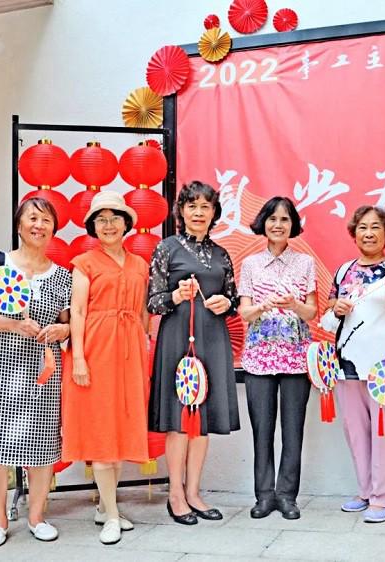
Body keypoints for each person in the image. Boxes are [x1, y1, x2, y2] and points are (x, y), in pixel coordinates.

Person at [0, 197, 71, 547]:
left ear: (54, 229)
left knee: (43, 447)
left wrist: (62, 332)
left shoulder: (62, 276)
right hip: (1, 368)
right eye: (32, 218)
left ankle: (37, 517)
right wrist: (12, 324)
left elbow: (68, 325)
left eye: (45, 220)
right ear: (19, 224)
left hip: (44, 371)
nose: (38, 226)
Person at [147, 180, 239, 525]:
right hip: (177, 341)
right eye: (192, 206)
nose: (199, 213)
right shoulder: (166, 248)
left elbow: (233, 299)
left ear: (214, 213)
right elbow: (152, 301)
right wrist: (175, 295)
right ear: (181, 211)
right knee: (179, 420)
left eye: (206, 207)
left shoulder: (221, 254)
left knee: (201, 423)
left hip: (212, 338)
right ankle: (175, 494)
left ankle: (195, 492)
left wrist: (225, 302)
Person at [61, 191, 150, 545]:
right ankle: (112, 515)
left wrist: (144, 341)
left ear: (127, 223)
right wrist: (79, 357)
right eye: (101, 219)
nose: (108, 224)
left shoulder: (140, 264)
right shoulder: (84, 263)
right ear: (93, 227)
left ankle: (104, 506)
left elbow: (143, 313)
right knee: (100, 430)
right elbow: (78, 312)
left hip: (129, 349)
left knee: (121, 426)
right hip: (96, 348)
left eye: (115, 217)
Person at [324, 205, 385, 523]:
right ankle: (365, 491)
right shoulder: (343, 272)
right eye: (363, 227)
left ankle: (383, 498)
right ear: (354, 233)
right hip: (347, 364)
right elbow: (328, 316)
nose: (369, 233)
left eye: (376, 227)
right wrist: (336, 309)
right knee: (356, 431)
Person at [237, 197, 317, 520]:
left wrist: (294, 305)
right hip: (258, 357)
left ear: (292, 225)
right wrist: (261, 307)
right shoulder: (251, 265)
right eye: (272, 219)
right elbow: (244, 312)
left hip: (296, 357)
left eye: (285, 219)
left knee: (293, 429)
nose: (278, 225)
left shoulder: (306, 263)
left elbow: (312, 311)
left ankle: (287, 496)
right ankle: (263, 495)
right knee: (262, 428)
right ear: (263, 224)